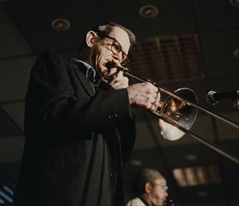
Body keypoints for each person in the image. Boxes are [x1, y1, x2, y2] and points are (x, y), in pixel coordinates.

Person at [13, 22, 160, 206]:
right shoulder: (54, 64)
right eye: (115, 46)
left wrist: (122, 102)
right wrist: (125, 97)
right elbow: (54, 115)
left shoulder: (108, 96)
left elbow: (120, 157)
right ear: (92, 39)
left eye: (123, 55)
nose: (118, 57)